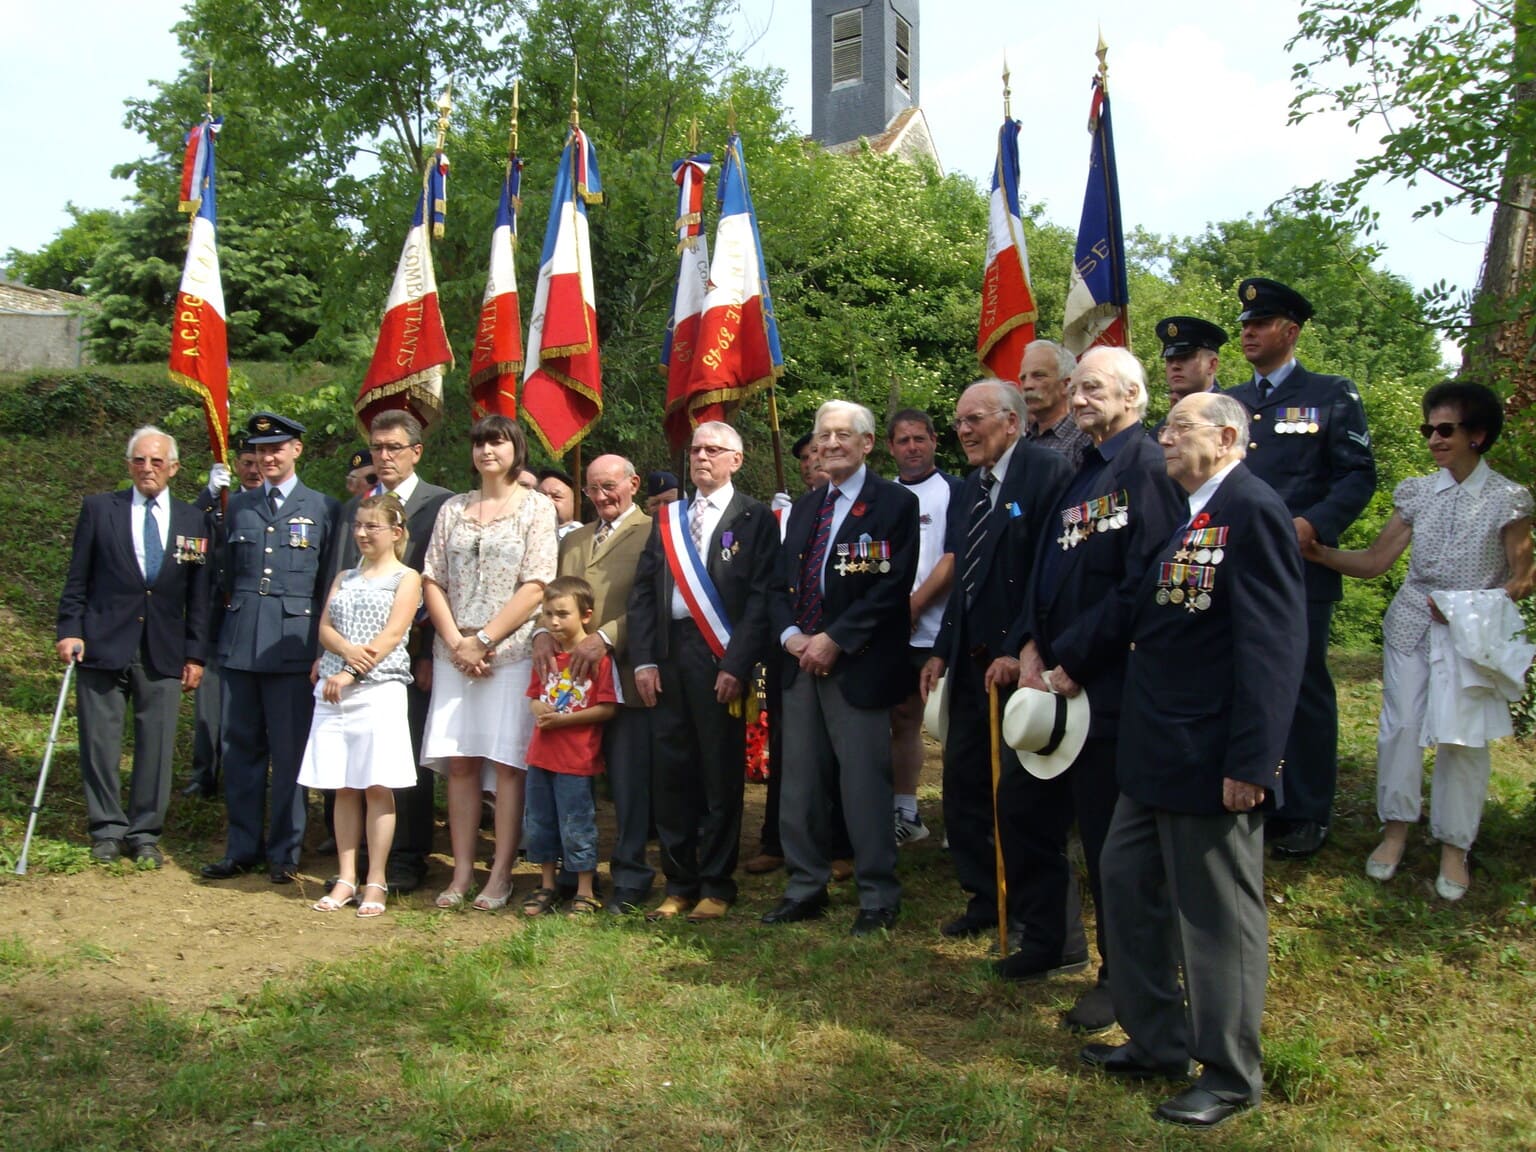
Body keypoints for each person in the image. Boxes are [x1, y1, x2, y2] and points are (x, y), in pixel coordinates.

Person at [1082, 392, 1305, 1129]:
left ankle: (1231, 1073)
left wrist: (1254, 762)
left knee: (1217, 919)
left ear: (1230, 436)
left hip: (1213, 758)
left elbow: (1273, 648)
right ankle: (1157, 1041)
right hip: (1155, 755)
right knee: (1123, 880)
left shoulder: (1252, 508)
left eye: (1180, 428)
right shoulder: (1191, 512)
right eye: (1168, 427)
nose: (1166, 440)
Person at [1008, 348, 1185, 1027]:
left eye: (1093, 389)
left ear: (1133, 397)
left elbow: (1145, 581)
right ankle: (1052, 942)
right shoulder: (1082, 468)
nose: (1078, 399)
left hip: (1109, 688)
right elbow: (1043, 568)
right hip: (1051, 681)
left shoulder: (1146, 468)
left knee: (1114, 843)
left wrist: (1075, 658)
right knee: (1027, 812)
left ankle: (1125, 977)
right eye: (1074, 388)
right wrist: (1027, 642)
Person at [1305, 381, 1534, 899]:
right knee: (1401, 726)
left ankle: (1455, 847)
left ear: (1477, 435)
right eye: (1428, 428)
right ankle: (1395, 832)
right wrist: (1318, 553)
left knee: (1461, 739)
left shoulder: (1508, 499)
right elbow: (1375, 562)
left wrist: (1467, 608)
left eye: (1445, 429)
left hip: (1470, 636)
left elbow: (1523, 578)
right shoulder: (1416, 492)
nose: (1433, 437)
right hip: (1409, 625)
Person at [1226, 277, 1376, 860]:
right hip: (1232, 565)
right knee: (1241, 682)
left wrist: (1312, 524)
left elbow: (1357, 475)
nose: (1248, 333)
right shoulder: (1230, 400)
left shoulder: (1332, 394)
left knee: (1303, 685)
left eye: (1259, 324)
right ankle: (1252, 797)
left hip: (1299, 568)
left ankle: (1307, 809)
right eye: (1244, 325)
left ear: (1290, 331)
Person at [918, 382, 1072, 945]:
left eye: (974, 419)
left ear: (1011, 422)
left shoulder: (1045, 473)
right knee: (963, 789)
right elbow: (966, 577)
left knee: (1019, 798)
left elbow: (1047, 572)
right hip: (968, 663)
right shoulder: (969, 488)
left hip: (1020, 667)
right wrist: (941, 649)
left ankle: (1032, 912)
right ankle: (985, 896)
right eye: (958, 421)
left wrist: (1021, 645)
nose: (963, 430)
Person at [764, 400, 919, 936]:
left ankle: (877, 894)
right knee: (799, 785)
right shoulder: (807, 508)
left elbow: (890, 588)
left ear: (867, 443)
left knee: (863, 785)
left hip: (857, 665)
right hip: (800, 662)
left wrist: (835, 639)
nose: (830, 444)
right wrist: (791, 636)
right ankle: (805, 886)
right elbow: (782, 583)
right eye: (822, 436)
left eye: (842, 435)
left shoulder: (893, 503)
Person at [629, 422, 776, 922]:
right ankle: (679, 881)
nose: (702, 457)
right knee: (672, 773)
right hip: (669, 654)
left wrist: (738, 662)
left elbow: (761, 599)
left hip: (720, 656)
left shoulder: (754, 517)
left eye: (714, 450)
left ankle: (716, 882)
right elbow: (645, 594)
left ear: (737, 459)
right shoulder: (667, 518)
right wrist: (645, 660)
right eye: (696, 450)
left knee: (718, 773)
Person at [55, 426, 212, 868]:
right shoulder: (99, 509)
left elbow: (198, 595)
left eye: (157, 461)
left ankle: (144, 833)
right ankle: (106, 829)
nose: (148, 468)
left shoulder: (192, 520)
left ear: (174, 468)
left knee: (157, 746)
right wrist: (70, 629)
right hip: (103, 643)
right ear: (128, 465)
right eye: (139, 460)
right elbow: (77, 578)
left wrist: (196, 653)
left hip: (163, 648)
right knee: (100, 743)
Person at [420, 415, 558, 910]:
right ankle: (460, 872)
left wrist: (484, 639)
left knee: (506, 765)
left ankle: (499, 872)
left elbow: (538, 582)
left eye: (497, 442)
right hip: (455, 651)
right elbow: (431, 577)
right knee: (460, 763)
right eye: (479, 443)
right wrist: (458, 641)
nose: (486, 451)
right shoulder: (453, 508)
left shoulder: (536, 508)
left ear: (515, 448)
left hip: (510, 651)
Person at [202, 412, 341, 884]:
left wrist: (325, 648)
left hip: (293, 646)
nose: (267, 457)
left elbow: (329, 586)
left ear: (296, 450)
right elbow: (221, 576)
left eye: (276, 448)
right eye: (260, 451)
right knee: (240, 750)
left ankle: (285, 850)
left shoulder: (324, 507)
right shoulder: (237, 508)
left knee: (289, 753)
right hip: (240, 644)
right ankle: (241, 847)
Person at [328, 410, 453, 894]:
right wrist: (330, 651)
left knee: (404, 759)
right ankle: (352, 862)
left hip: (410, 656)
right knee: (351, 760)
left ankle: (407, 857)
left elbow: (442, 581)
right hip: (347, 655)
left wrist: (427, 651)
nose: (383, 456)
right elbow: (337, 577)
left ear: (416, 452)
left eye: (393, 448)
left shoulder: (440, 504)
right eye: (377, 448)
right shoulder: (354, 507)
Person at [535, 454, 654, 914]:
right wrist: (544, 632)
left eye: (610, 487)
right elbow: (554, 595)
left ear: (633, 483)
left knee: (627, 782)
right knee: (569, 783)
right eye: (592, 489)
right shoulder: (576, 538)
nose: (602, 497)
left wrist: (605, 637)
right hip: (568, 685)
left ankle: (629, 875)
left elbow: (652, 604)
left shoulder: (654, 533)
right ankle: (574, 874)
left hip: (623, 673)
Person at [299, 493, 423, 917]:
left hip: (378, 690)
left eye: (373, 525)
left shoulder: (407, 578)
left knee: (376, 786)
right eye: (359, 525)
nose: (363, 533)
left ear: (396, 532)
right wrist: (344, 658)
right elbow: (325, 627)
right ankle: (346, 876)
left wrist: (351, 670)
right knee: (343, 786)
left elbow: (392, 636)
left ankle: (377, 879)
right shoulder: (345, 576)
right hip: (334, 691)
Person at [746, 431, 838, 876]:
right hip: (787, 647)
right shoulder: (788, 514)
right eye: (803, 457)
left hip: (840, 647)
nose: (809, 463)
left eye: (816, 454)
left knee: (839, 751)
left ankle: (840, 846)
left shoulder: (864, 505)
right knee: (786, 749)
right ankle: (777, 840)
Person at [521, 576, 620, 917]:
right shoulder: (546, 656)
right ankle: (547, 884)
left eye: (562, 614)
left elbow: (608, 707)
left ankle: (585, 889)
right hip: (540, 756)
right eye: (548, 614)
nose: (553, 622)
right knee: (540, 822)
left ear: (586, 615)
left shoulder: (599, 661)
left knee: (577, 824)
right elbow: (533, 697)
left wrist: (564, 721)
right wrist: (540, 710)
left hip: (576, 760)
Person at [887, 408, 959, 845]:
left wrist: (915, 603)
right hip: (894, 632)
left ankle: (960, 815)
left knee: (949, 722)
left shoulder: (955, 490)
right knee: (903, 718)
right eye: (903, 440)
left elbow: (952, 556)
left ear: (934, 441)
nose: (912, 447)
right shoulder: (883, 495)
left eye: (919, 438)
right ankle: (907, 813)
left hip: (941, 628)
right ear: (890, 447)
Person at [184, 433, 264, 800]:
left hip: (254, 621)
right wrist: (206, 498)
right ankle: (204, 774)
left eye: (258, 462)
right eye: (245, 463)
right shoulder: (216, 507)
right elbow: (185, 540)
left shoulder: (268, 508)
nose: (252, 470)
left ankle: (245, 775)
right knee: (209, 705)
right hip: (216, 619)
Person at [1020, 339, 1091, 470]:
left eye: (1039, 376)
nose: (1027, 385)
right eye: (1023, 378)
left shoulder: (1086, 438)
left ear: (1067, 384)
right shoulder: (1023, 442)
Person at [1155, 315, 1228, 405]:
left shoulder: (1233, 414)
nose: (1175, 366)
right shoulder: (1168, 419)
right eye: (1169, 359)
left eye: (1185, 357)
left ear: (1212, 365)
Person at [537, 467, 583, 539]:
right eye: (542, 495)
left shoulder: (582, 537)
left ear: (574, 502)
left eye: (556, 497)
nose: (548, 501)